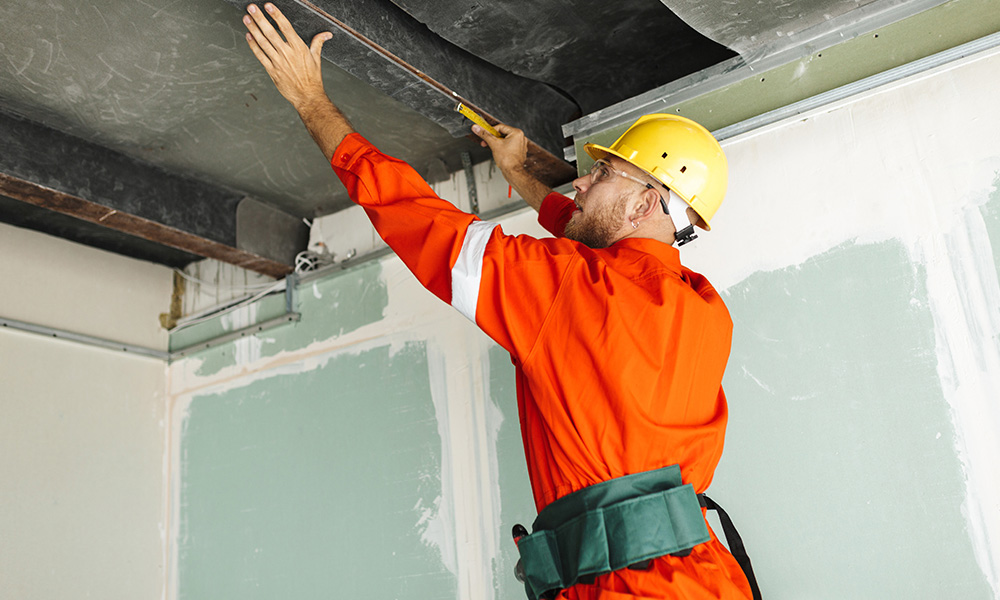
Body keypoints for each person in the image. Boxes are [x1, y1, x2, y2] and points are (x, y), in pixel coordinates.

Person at [242, 3, 756, 599]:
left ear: (646, 204)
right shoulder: (701, 307)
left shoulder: (570, 286)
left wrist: (312, 103)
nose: (581, 181)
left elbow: (422, 222)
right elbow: (598, 256)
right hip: (701, 579)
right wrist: (524, 180)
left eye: (606, 173)